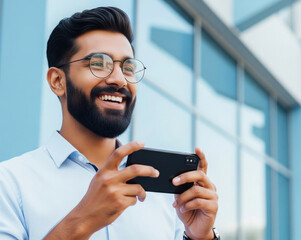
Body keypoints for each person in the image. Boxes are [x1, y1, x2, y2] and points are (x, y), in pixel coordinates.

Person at [0, 6, 219, 240]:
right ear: (57, 81)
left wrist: (201, 237)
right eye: (99, 63)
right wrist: (83, 220)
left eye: (127, 67)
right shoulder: (10, 183)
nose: (119, 79)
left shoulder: (164, 195)